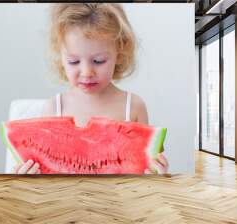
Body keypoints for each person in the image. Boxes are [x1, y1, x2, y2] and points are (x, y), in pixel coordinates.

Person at [15, 3, 168, 175]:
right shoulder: (54, 107)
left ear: (120, 52)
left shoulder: (133, 106)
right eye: (73, 61)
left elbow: (142, 166)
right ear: (61, 57)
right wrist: (28, 178)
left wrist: (155, 175)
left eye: (99, 61)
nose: (87, 72)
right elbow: (48, 174)